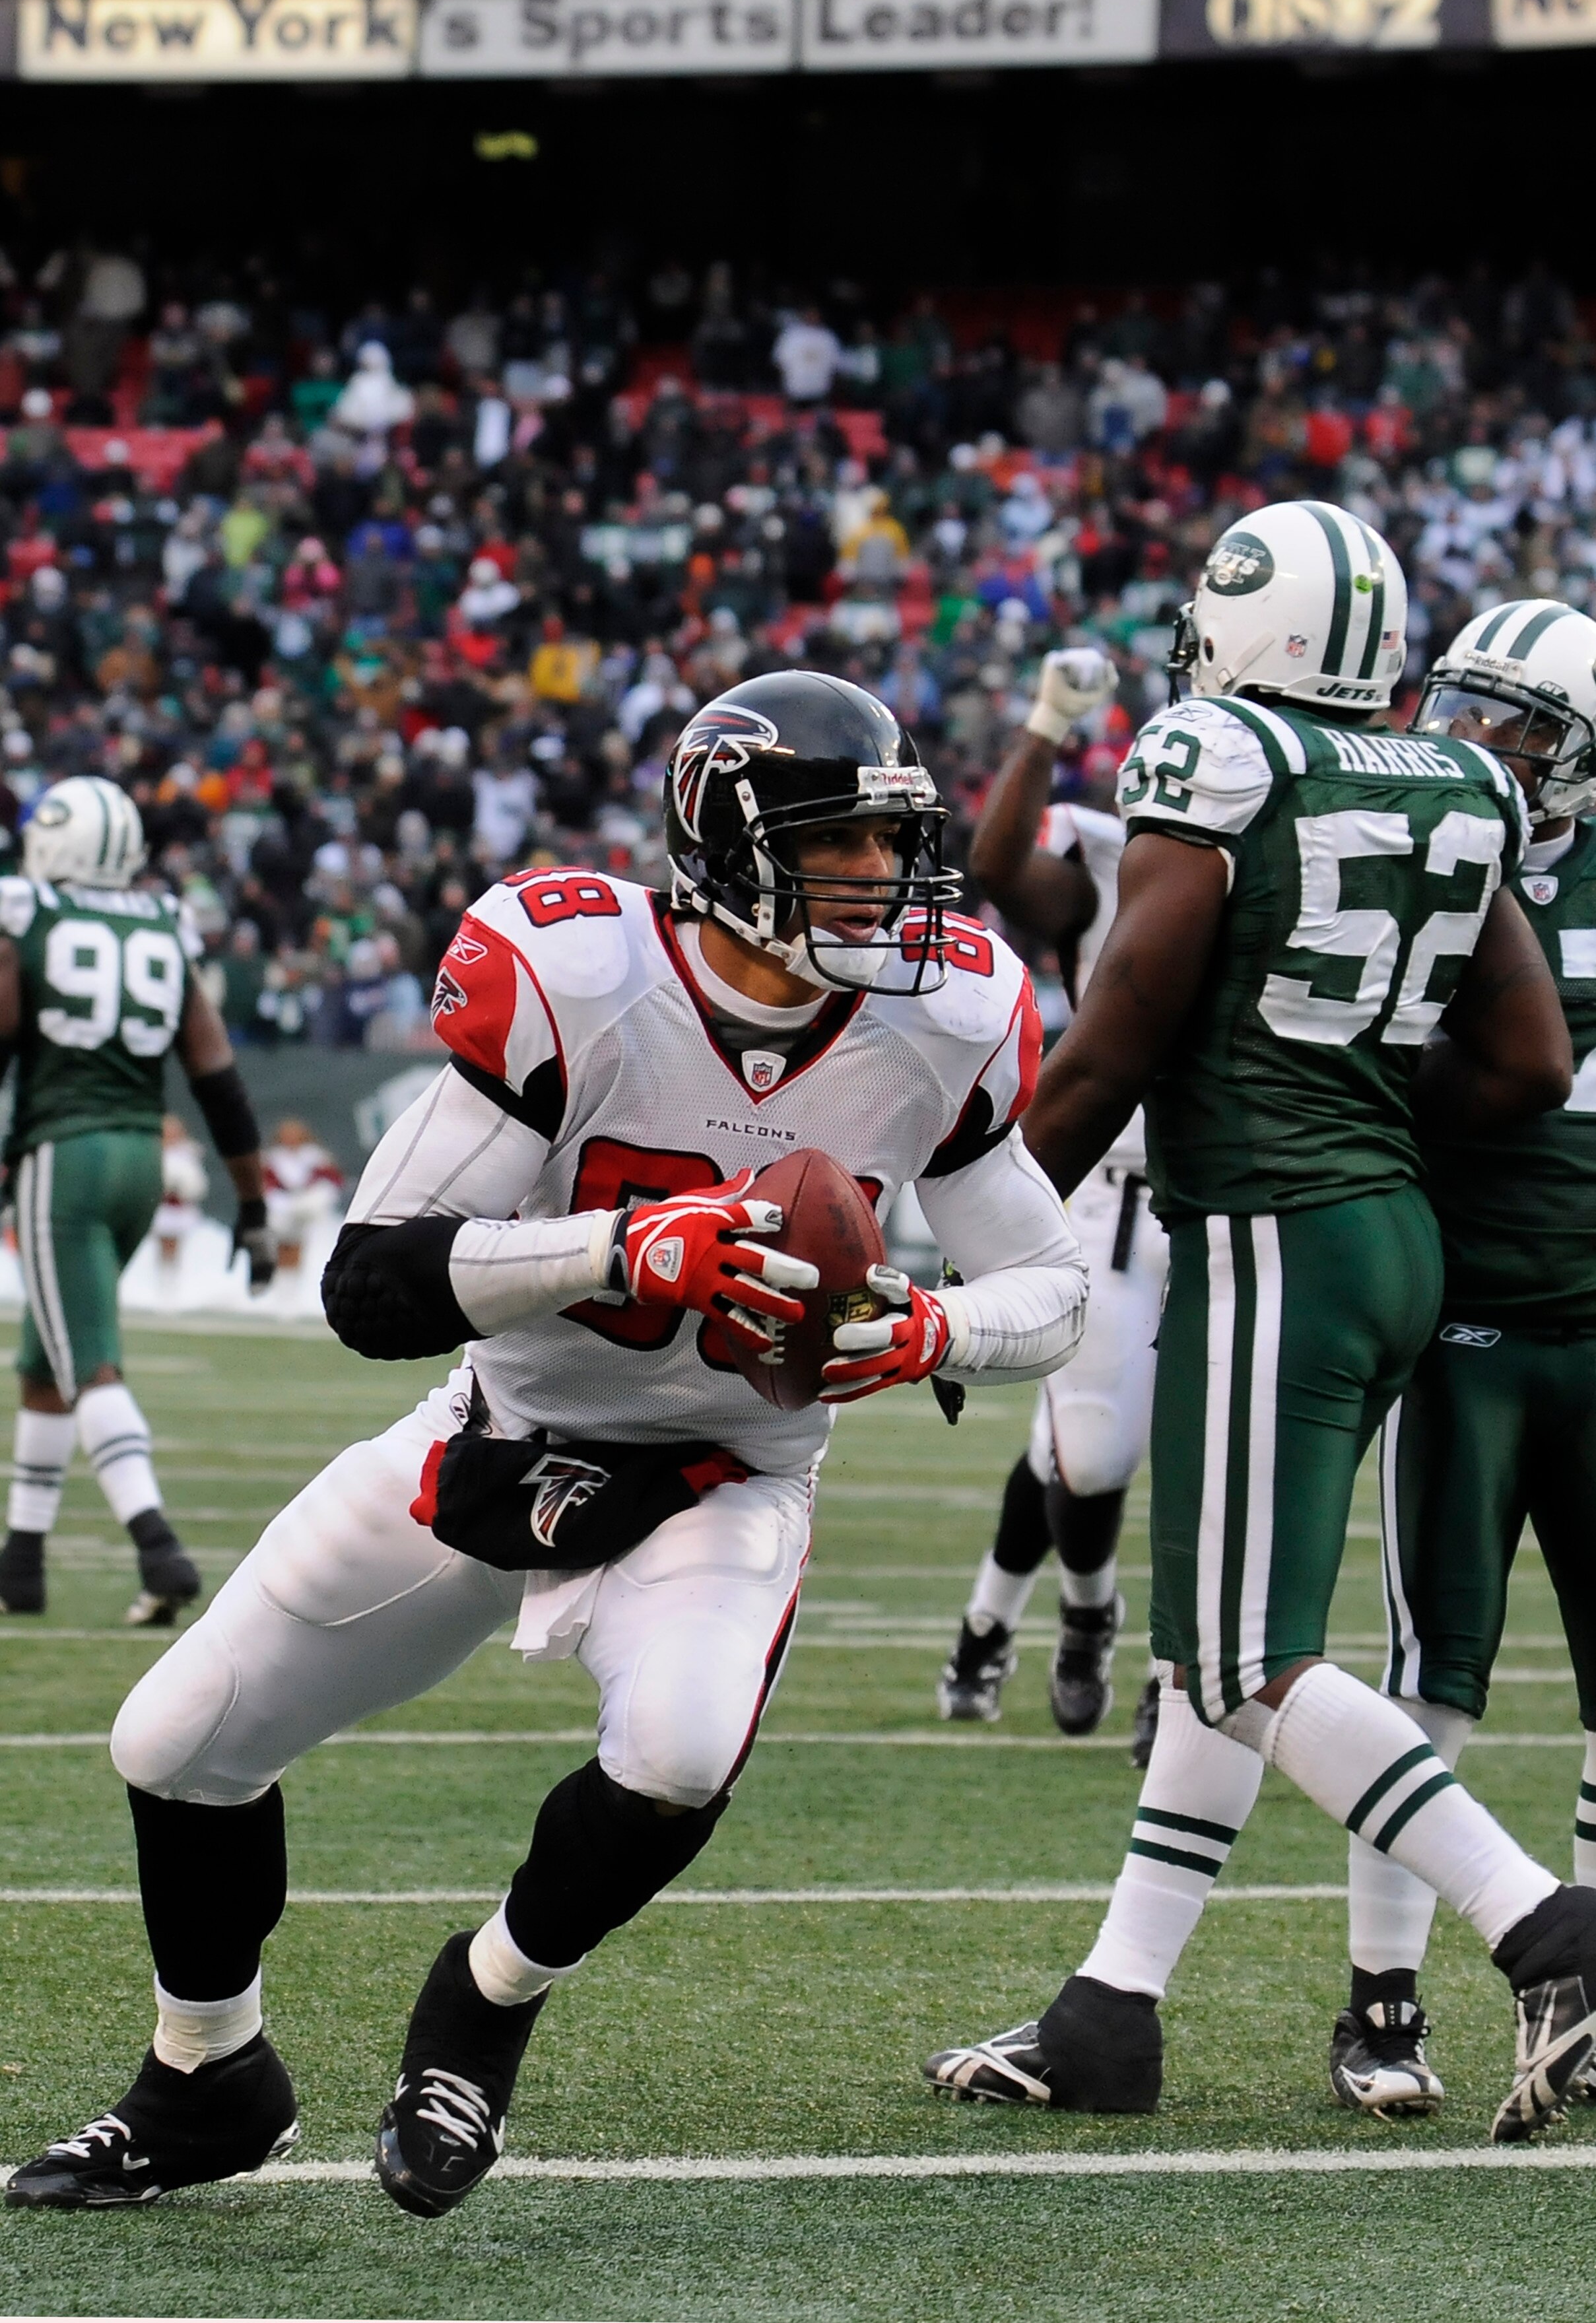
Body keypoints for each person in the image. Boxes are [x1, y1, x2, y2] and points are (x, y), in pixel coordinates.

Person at [7, 672, 1088, 2217]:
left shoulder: (942, 1013)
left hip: (724, 1473)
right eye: (838, 840)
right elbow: (370, 1280)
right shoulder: (581, 970)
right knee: (174, 1746)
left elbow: (1052, 1289)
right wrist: (621, 1248)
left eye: (889, 840)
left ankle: (485, 1999)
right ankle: (207, 2075)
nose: (880, 875)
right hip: (499, 1431)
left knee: (676, 1751)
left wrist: (934, 1332)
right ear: (723, 842)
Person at [923, 501, 1596, 2146]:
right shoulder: (1454, 790)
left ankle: (1543, 1927)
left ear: (1253, 627)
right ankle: (1110, 2014)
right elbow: (1522, 1067)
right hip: (1389, 1243)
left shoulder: (1222, 757)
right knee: (1224, 1646)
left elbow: (1107, 1053)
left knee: (1240, 1662)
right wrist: (1366, 1113)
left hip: (1272, 1234)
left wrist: (971, 1261)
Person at [1327, 599, 1596, 2118]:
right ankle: (1380, 2003)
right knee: (1432, 1680)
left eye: (1521, 729)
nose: (1478, 750)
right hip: (1470, 1324)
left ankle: (1585, 1998)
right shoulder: (1422, 865)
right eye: (1466, 712)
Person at [939, 646, 1165, 1761]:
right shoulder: (1113, 865)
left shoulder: (1300, 860)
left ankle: (1159, 1667)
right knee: (1091, 1449)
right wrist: (1042, 722)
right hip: (1118, 1199)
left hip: (1243, 1193)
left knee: (1217, 1454)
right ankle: (1084, 1615)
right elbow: (996, 863)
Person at [0, 780, 278, 1629]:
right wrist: (253, 1208)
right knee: (48, 1359)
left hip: (65, 1156)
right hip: (139, 1162)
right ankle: (23, 1562)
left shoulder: (28, 914)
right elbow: (219, 1080)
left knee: (88, 1361)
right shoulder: (164, 924)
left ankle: (157, 1544)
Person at [261, 1118, 343, 1275]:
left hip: (313, 1214)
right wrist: (288, 1205)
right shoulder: (271, 1161)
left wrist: (310, 1202)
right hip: (283, 1216)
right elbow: (267, 1189)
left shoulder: (317, 1158)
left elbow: (332, 1183)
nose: (291, 1140)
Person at [153, 1113, 207, 1279]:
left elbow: (197, 1184)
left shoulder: (188, 1154)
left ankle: (176, 1279)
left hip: (179, 1208)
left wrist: (182, 1189)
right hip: (158, 1207)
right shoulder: (153, 1152)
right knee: (159, 1246)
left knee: (178, 1246)